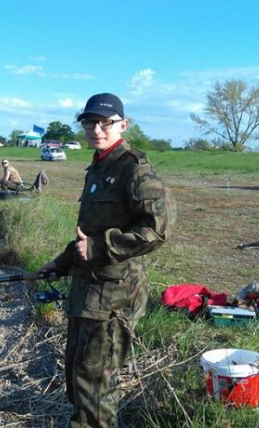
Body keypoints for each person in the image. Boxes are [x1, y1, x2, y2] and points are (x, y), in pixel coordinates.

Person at [31, 93, 176, 427]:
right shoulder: (98, 166)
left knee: (95, 383)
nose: (96, 129)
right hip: (87, 290)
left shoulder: (135, 169)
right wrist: (62, 262)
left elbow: (157, 230)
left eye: (105, 122)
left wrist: (100, 248)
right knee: (79, 375)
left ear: (122, 125)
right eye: (89, 122)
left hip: (114, 294)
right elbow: (88, 233)